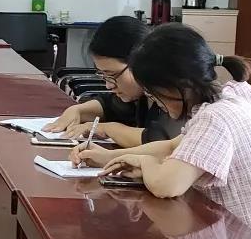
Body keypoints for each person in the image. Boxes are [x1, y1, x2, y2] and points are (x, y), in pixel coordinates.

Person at [89, 26, 251, 226]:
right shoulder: (231, 95)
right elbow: (172, 147)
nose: (156, 102)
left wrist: (145, 162)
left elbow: (167, 186)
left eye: (153, 93)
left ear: (181, 85)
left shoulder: (214, 118)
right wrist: (108, 157)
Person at [44, 15, 182, 148]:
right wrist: (77, 110)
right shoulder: (140, 94)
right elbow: (109, 106)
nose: (108, 85)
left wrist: (108, 129)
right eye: (103, 75)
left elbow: (162, 140)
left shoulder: (172, 95)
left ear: (141, 61)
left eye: (112, 75)